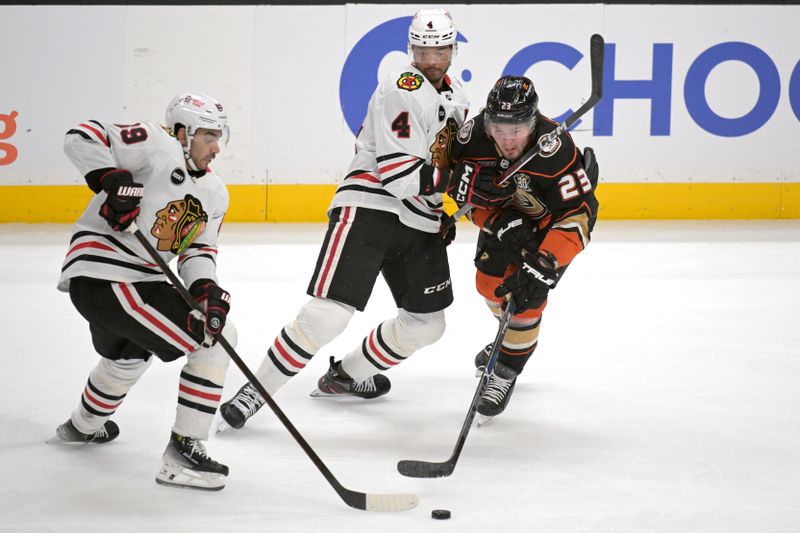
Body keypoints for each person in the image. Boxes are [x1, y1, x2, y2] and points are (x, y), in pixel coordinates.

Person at [219, 8, 505, 430]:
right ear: (412, 49)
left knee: (427, 325)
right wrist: (456, 181)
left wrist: (458, 201)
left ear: (452, 50)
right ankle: (253, 392)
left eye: (440, 50)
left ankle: (348, 375)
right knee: (328, 315)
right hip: (373, 206)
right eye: (424, 50)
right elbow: (398, 174)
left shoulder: (458, 99)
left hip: (421, 220)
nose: (431, 60)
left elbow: (451, 166)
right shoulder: (400, 87)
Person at [53, 93, 238, 491]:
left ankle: (81, 426)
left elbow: (197, 249)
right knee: (215, 341)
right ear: (183, 132)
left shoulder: (215, 193)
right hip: (107, 274)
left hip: (136, 280)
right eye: (208, 135)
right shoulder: (156, 143)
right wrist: (109, 177)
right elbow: (82, 135)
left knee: (129, 355)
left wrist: (205, 289)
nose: (216, 147)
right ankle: (183, 453)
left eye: (219, 136)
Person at [450, 75, 600, 423]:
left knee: (528, 296)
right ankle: (513, 335)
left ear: (533, 122)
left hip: (551, 226)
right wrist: (497, 221)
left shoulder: (556, 149)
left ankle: (505, 370)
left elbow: (577, 213)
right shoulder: (472, 140)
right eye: (499, 129)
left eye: (516, 129)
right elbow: (462, 197)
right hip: (508, 220)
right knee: (489, 286)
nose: (507, 139)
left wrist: (547, 261)